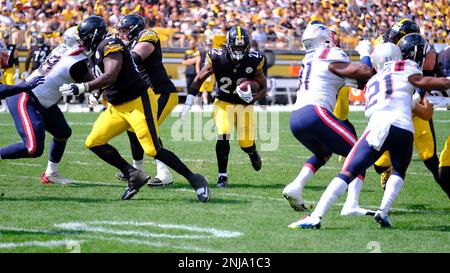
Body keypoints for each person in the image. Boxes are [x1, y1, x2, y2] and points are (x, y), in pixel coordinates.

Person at [289, 39, 450, 229]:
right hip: (403, 128)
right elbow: (426, 99)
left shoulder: (373, 81)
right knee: (399, 170)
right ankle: (383, 211)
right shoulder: (406, 69)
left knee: (348, 171)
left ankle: (316, 216)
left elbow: (391, 94)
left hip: (378, 127)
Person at [60, 16, 210, 201]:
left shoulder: (110, 44)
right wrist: (97, 91)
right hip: (117, 107)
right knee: (93, 141)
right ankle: (133, 174)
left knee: (152, 148)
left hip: (139, 101)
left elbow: (111, 75)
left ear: (93, 35)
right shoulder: (95, 53)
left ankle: (195, 179)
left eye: (83, 39)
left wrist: (83, 88)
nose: (81, 44)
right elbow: (103, 78)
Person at [281, 23, 373, 214]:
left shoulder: (310, 59)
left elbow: (360, 81)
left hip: (297, 119)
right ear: (324, 39)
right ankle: (351, 204)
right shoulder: (329, 55)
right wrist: (366, 53)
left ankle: (296, 186)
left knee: (324, 152)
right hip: (315, 113)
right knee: (359, 153)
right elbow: (364, 72)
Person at [0, 28, 91, 185]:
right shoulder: (73, 59)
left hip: (40, 98)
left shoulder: (63, 49)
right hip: (26, 97)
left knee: (62, 132)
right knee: (33, 148)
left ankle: (51, 174)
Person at [180, 26, 267, 188]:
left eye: (242, 47)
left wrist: (252, 97)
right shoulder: (217, 57)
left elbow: (263, 87)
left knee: (246, 144)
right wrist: (188, 101)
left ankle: (252, 152)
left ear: (248, 46)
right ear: (228, 44)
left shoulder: (255, 58)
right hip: (223, 101)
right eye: (236, 47)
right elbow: (199, 78)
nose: (239, 51)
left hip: (244, 105)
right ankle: (222, 176)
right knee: (223, 133)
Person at [373, 19, 445, 197]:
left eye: (398, 36)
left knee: (430, 158)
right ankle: (386, 169)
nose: (393, 38)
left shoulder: (423, 48)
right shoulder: (383, 44)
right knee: (379, 164)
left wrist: (419, 96)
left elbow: (428, 73)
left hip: (414, 103)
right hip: (393, 105)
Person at [115, 14, 179, 187]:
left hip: (162, 92)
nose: (122, 34)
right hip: (145, 94)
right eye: (120, 31)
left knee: (147, 130)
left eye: (125, 30)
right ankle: (137, 170)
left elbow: (136, 56)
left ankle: (165, 174)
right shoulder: (126, 44)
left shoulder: (148, 35)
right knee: (132, 128)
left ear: (135, 28)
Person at [0, 32, 19, 112]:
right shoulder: (0, 46)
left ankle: (11, 105)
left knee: (10, 88)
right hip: (1, 70)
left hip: (9, 70)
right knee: (1, 88)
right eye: (4, 38)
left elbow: (16, 59)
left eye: (6, 38)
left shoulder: (12, 47)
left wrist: (17, 71)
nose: (5, 39)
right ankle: (4, 106)